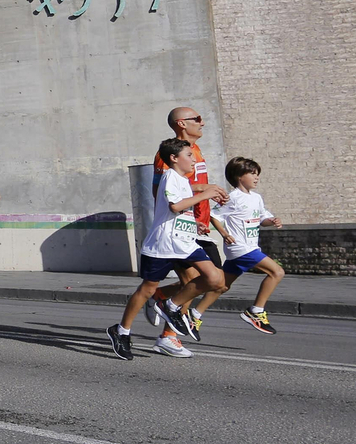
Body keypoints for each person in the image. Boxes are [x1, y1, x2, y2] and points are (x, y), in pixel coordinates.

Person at [108, 137, 230, 360]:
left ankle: (170, 304)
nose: (194, 160)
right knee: (147, 289)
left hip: (185, 242)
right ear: (174, 159)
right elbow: (175, 206)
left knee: (216, 280)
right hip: (163, 244)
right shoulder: (169, 176)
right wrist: (204, 194)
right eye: (189, 156)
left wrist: (197, 221)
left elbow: (182, 208)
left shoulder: (182, 180)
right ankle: (121, 331)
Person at [149, 107, 222, 341]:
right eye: (197, 119)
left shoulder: (195, 151)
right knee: (191, 281)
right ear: (181, 123)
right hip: (180, 228)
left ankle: (159, 296)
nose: (202, 123)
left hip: (198, 225)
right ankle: (170, 337)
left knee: (217, 281)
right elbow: (162, 193)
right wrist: (203, 191)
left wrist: (205, 217)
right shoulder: (168, 155)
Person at [193, 157, 286, 334]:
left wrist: (272, 221)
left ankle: (195, 315)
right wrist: (224, 233)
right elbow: (214, 216)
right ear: (238, 176)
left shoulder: (257, 198)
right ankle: (256, 312)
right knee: (277, 272)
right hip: (241, 248)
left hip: (250, 247)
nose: (256, 177)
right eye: (252, 173)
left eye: (257, 174)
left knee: (222, 286)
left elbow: (261, 220)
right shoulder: (232, 198)